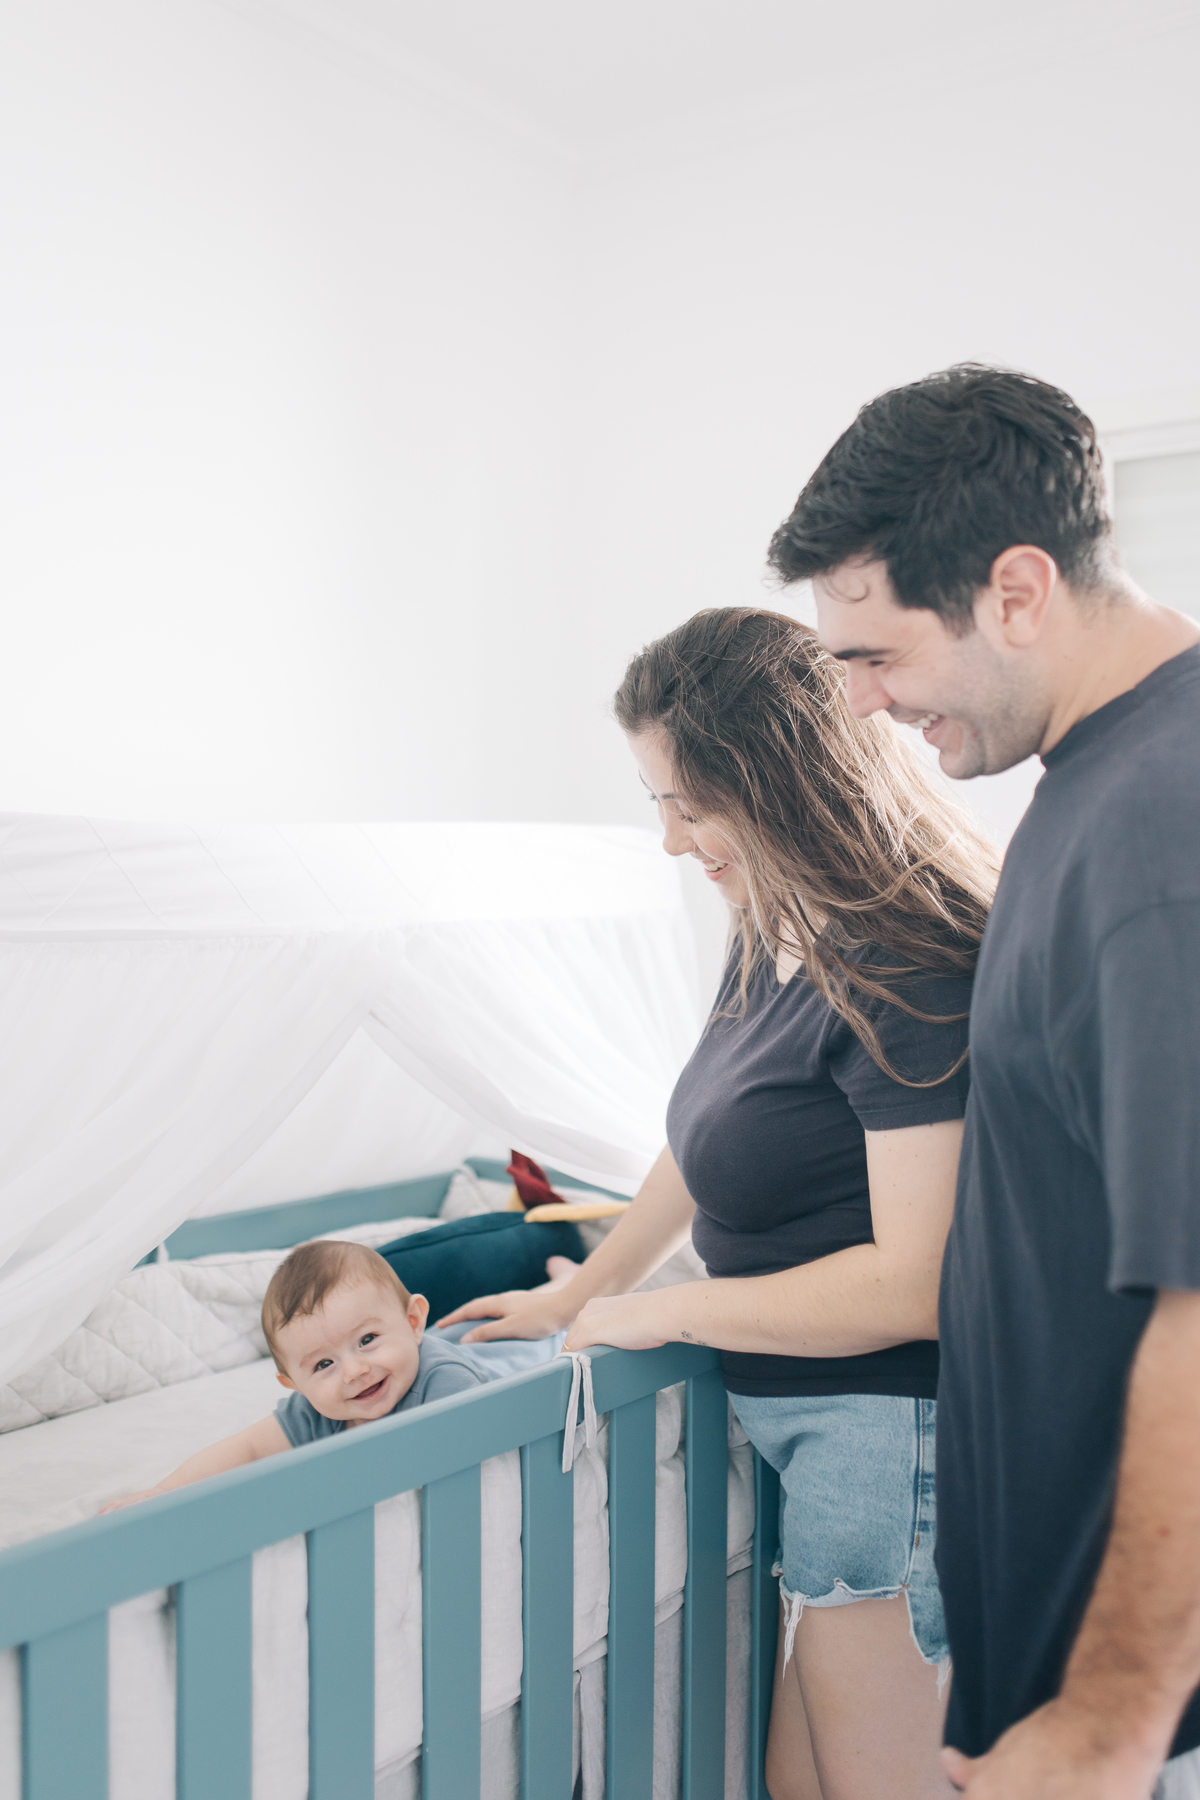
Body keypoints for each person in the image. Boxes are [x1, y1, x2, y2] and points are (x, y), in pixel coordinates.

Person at [439, 607, 998, 1800]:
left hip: (889, 1438)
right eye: (659, 805)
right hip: (824, 1439)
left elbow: (919, 1283)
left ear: (781, 782)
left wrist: (669, 1311)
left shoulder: (906, 962)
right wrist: (585, 1291)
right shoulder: (774, 926)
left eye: (692, 807)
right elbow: (700, 1142)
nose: (671, 842)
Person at [765, 364, 1200, 1799]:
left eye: (876, 657)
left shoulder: (1161, 828)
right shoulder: (1093, 785)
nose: (863, 704)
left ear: (1016, 591)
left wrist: (1113, 1720)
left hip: (1132, 1728)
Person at [99, 1239, 487, 1510]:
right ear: (294, 1385)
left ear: (413, 1321)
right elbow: (248, 1448)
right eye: (323, 1365)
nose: (354, 1371)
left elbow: (459, 1480)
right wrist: (165, 1492)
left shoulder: (446, 1383)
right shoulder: (317, 1411)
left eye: (367, 1340)